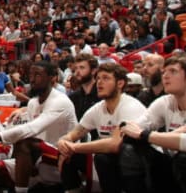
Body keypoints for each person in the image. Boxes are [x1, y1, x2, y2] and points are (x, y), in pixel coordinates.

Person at [120, 56, 186, 193]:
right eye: (164, 71)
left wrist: (145, 135)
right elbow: (127, 128)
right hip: (171, 161)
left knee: (184, 157)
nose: (165, 76)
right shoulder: (165, 101)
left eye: (172, 71)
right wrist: (173, 133)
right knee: (129, 149)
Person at [0, 61, 78, 193]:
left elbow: (31, 129)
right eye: (31, 74)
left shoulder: (60, 101)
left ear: (52, 77)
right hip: (37, 157)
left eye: (37, 75)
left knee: (24, 141)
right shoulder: (32, 103)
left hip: (62, 158)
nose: (32, 79)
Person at [57, 63, 147, 193]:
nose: (99, 82)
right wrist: (63, 142)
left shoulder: (131, 106)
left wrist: (73, 147)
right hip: (111, 159)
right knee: (68, 153)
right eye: (98, 78)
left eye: (105, 78)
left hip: (138, 163)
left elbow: (114, 144)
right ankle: (72, 190)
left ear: (120, 83)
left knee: (102, 157)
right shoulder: (98, 108)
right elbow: (75, 133)